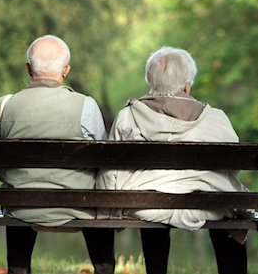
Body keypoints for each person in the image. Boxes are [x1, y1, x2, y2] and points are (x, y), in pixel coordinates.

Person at [97, 47, 249, 274]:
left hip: (145, 204)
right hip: (206, 205)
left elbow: (112, 169)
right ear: (187, 86)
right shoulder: (215, 118)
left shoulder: (128, 115)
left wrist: (107, 206)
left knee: (151, 197)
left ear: (151, 83)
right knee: (226, 206)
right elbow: (232, 168)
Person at [0, 34, 115, 274]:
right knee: (98, 195)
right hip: (79, 206)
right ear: (65, 70)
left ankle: (18, 269)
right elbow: (103, 162)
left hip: (20, 208)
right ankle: (104, 268)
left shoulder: (3, 106)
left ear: (28, 69)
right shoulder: (86, 105)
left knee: (19, 196)